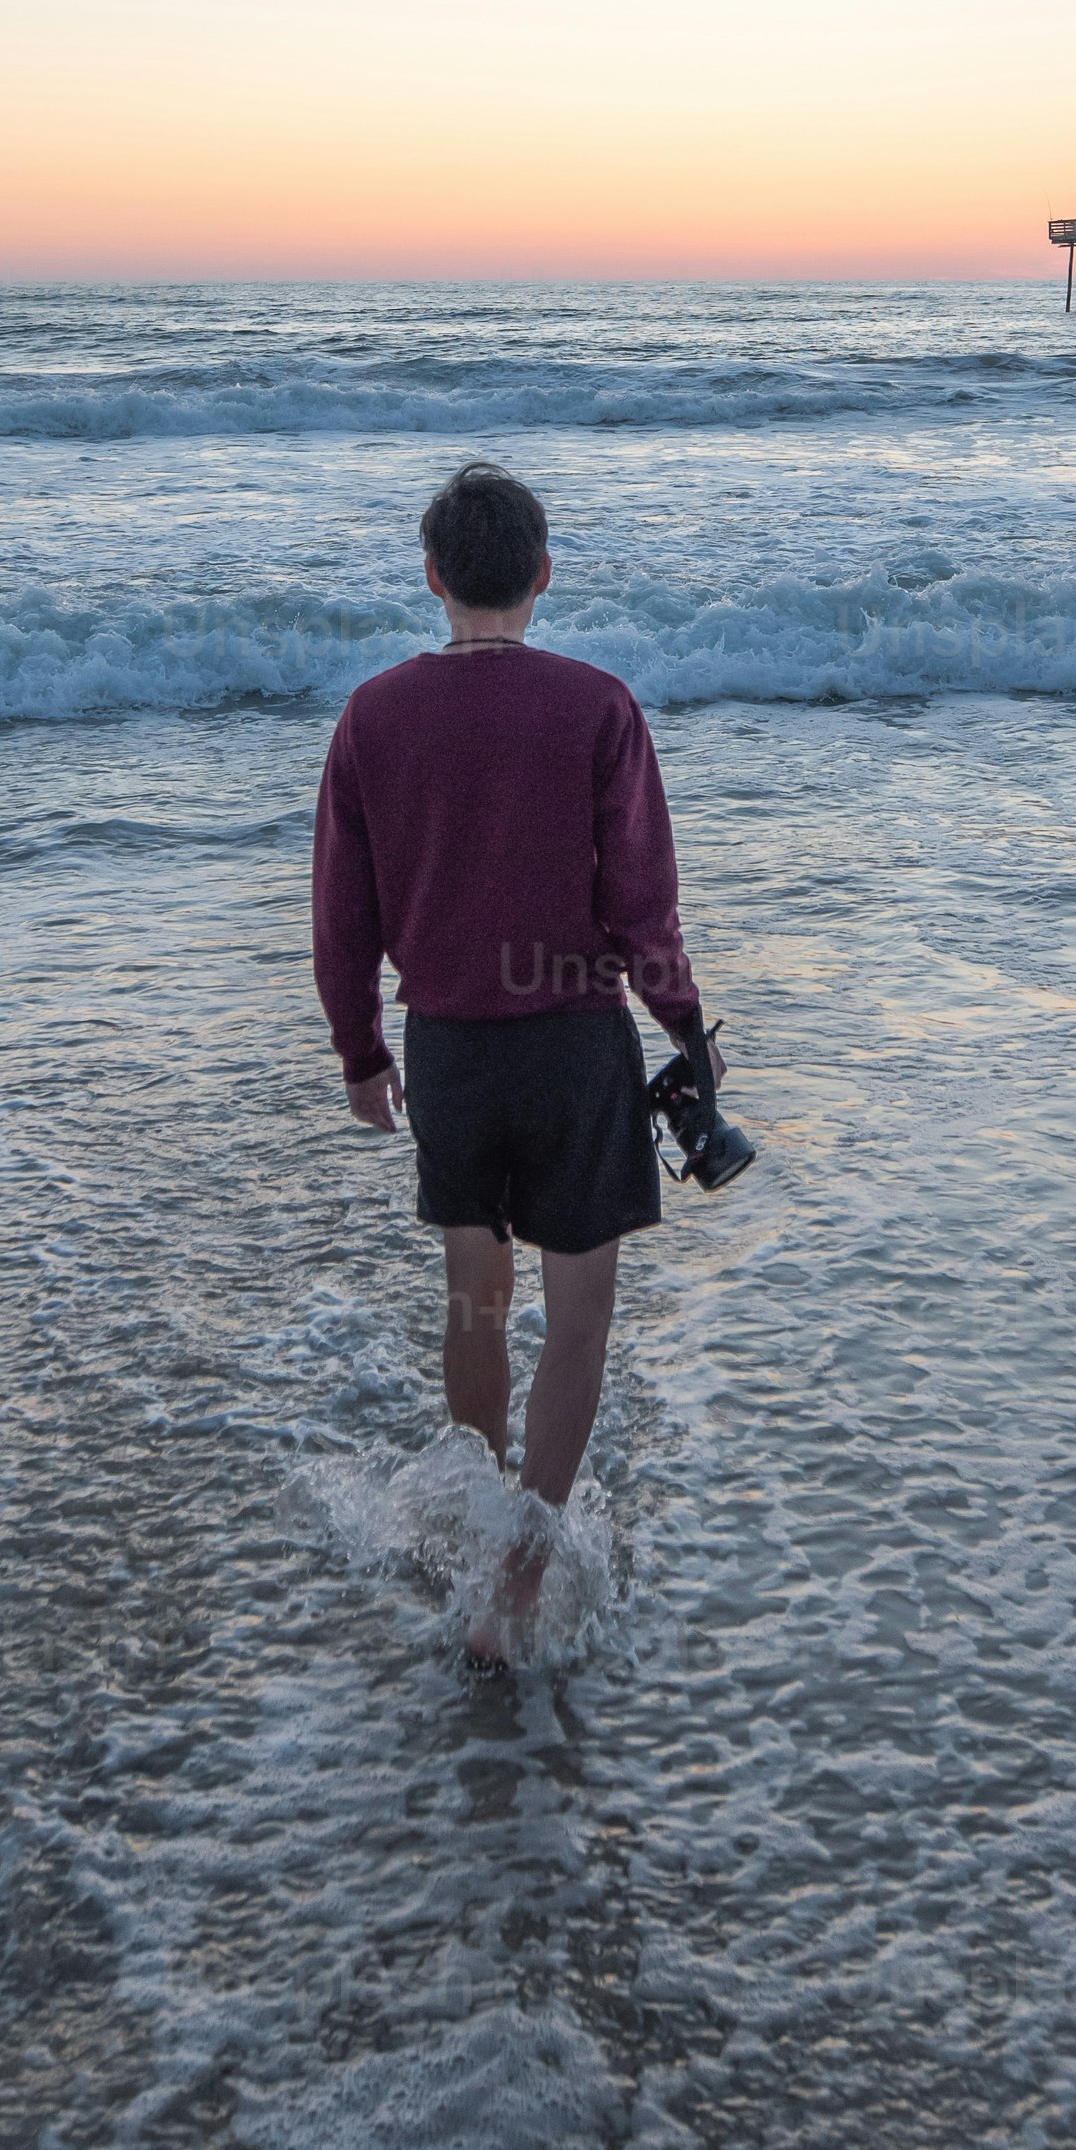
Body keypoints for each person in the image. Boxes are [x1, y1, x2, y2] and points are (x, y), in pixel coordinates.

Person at [312, 459, 719, 1667]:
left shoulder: (374, 716)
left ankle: (480, 1517)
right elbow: (644, 905)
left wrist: (359, 1049)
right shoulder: (596, 707)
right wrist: (685, 1026)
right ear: (544, 574)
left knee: (471, 1294)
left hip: (448, 1052)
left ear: (433, 576)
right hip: (572, 1044)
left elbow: (344, 910)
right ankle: (519, 1575)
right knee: (577, 1319)